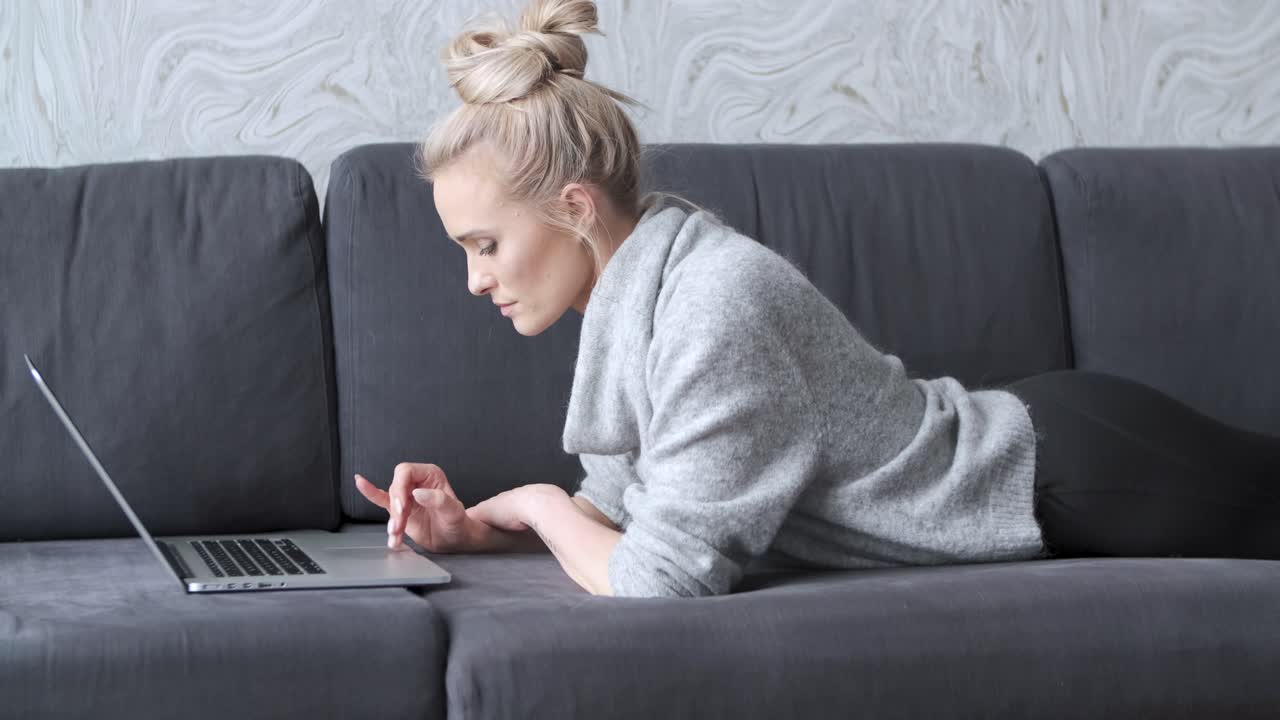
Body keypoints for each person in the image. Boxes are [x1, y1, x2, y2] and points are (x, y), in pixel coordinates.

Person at [355, 0, 1280, 598]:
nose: (474, 278)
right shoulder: (641, 292)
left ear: (574, 208)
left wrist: (541, 503)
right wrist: (482, 529)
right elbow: (649, 501)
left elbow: (663, 581)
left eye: (484, 245)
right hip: (1055, 446)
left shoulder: (714, 303)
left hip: (1077, 476)